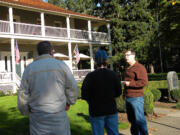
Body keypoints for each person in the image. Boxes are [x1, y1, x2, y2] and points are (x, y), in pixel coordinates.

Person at [17, 41, 78, 135]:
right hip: (58, 117)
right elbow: (73, 88)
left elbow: (23, 93)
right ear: (51, 52)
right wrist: (70, 101)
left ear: (38, 53)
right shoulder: (61, 65)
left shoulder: (29, 68)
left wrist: (25, 110)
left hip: (38, 118)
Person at [81, 49, 122, 135]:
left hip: (96, 111)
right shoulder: (113, 75)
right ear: (106, 60)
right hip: (111, 109)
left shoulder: (90, 76)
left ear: (95, 61)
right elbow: (119, 92)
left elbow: (84, 95)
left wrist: (91, 101)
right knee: (114, 133)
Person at [123, 50, 149, 135]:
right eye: (125, 55)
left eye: (128, 55)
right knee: (132, 120)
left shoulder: (139, 67)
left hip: (136, 98)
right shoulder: (128, 68)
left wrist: (130, 83)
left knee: (140, 120)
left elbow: (144, 82)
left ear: (133, 56)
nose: (126, 57)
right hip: (128, 97)